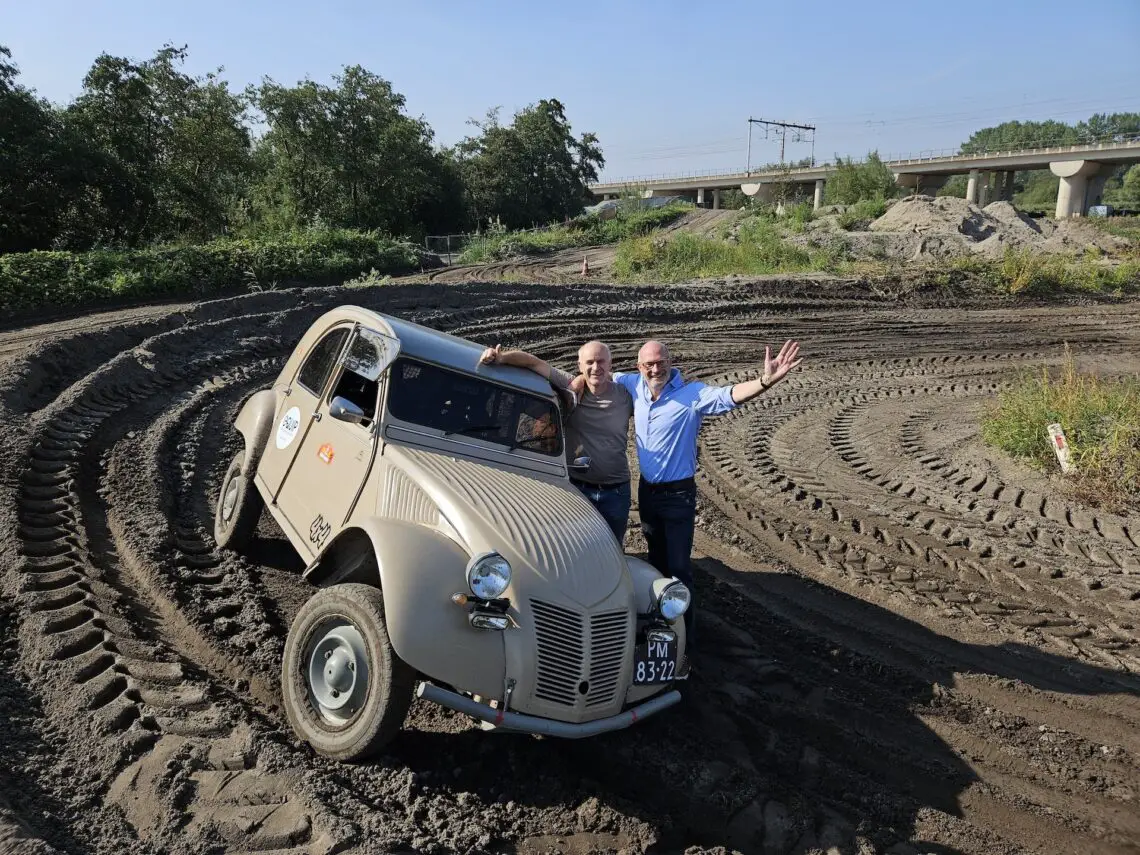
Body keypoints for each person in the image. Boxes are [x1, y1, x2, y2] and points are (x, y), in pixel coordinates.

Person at [584, 338, 803, 646]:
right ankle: (656, 630)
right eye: (649, 364)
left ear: (670, 362)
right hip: (647, 493)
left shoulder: (693, 395)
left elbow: (729, 395)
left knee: (678, 571)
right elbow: (596, 374)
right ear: (639, 367)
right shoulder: (632, 385)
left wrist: (765, 381)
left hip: (677, 498)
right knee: (655, 565)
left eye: (661, 362)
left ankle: (683, 643)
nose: (656, 369)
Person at [479, 340, 633, 543]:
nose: (596, 368)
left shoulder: (626, 395)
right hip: (578, 489)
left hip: (616, 491)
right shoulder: (570, 386)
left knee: (614, 547)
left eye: (601, 361)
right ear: (579, 366)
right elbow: (532, 363)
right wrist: (502, 357)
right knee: (576, 545)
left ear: (611, 364)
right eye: (590, 362)